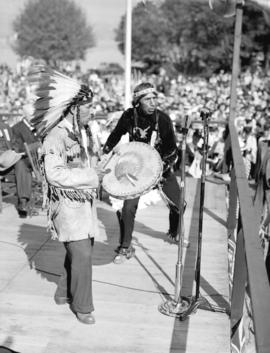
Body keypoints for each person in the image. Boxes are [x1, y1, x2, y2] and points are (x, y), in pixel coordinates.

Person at [30, 66, 106, 325]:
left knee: (79, 252)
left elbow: (88, 163)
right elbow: (54, 175)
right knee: (82, 255)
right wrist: (93, 175)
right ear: (74, 109)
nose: (92, 111)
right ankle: (83, 306)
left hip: (85, 205)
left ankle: (63, 292)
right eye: (88, 107)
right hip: (67, 207)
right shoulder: (56, 136)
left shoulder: (82, 132)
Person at [102, 82, 182, 264]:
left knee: (179, 205)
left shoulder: (163, 119)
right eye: (148, 99)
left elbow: (172, 149)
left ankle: (174, 232)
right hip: (137, 168)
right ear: (138, 101)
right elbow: (115, 134)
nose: (153, 102)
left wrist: (162, 166)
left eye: (155, 98)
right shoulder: (129, 116)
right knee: (128, 208)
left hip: (161, 166)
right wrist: (105, 151)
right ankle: (125, 247)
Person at [11, 104, 39, 217]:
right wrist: (31, 147)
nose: (34, 117)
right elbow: (16, 147)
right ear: (25, 115)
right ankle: (23, 202)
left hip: (40, 158)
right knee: (21, 165)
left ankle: (26, 202)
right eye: (32, 115)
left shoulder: (39, 126)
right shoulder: (17, 128)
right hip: (25, 157)